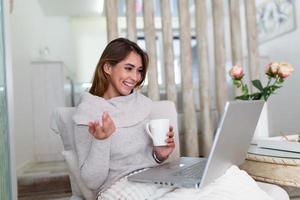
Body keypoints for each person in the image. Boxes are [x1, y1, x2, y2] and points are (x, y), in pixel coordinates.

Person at [72, 38, 175, 197]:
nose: (135, 77)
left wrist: (158, 155)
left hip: (156, 178)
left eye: (139, 71)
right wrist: (102, 140)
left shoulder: (141, 103)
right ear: (107, 67)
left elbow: (144, 159)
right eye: (129, 68)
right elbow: (92, 182)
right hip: (120, 188)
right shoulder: (89, 111)